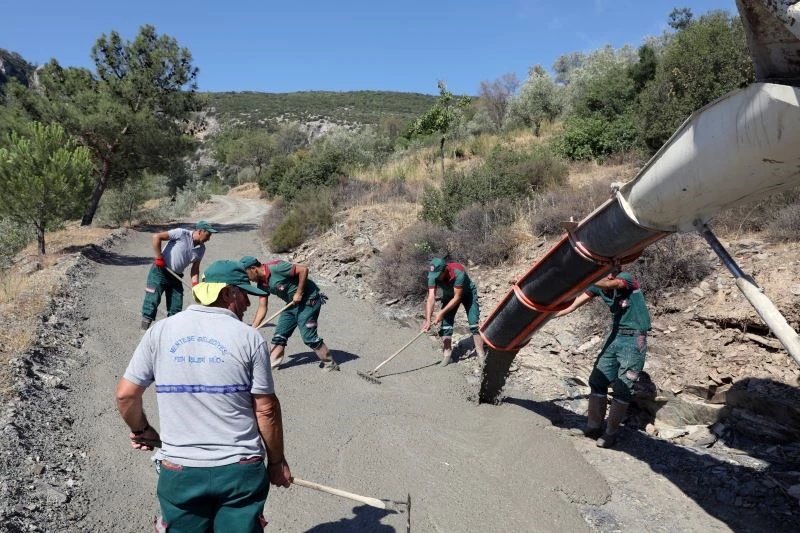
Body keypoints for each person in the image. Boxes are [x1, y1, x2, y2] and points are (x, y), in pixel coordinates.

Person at [116, 260, 292, 532]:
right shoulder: (250, 338)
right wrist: (277, 461)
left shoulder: (160, 332)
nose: (248, 304)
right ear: (228, 293)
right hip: (240, 472)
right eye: (245, 294)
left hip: (180, 470)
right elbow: (265, 409)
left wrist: (142, 430)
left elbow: (126, 396)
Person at [554, 267, 651, 448]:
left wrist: (584, 275)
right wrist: (549, 314)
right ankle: (593, 427)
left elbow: (610, 283)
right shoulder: (598, 286)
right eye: (604, 270)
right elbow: (574, 304)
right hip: (615, 336)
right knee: (597, 380)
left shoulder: (626, 279)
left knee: (623, 387)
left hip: (634, 338)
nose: (609, 273)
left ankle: (610, 433)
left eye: (611, 270)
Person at [239, 255, 338, 371]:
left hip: (309, 301)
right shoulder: (262, 285)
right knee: (279, 335)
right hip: (292, 304)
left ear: (252, 268)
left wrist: (299, 292)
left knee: (308, 336)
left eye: (246, 274)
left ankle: (330, 364)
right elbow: (262, 307)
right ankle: (272, 366)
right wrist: (253, 328)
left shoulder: (277, 268)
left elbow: (303, 270)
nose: (248, 279)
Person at [140, 221, 217, 330]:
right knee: (152, 301)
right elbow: (156, 237)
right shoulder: (181, 233)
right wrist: (158, 257)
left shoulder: (201, 249)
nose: (209, 238)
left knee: (176, 308)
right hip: (159, 272)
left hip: (176, 277)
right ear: (200, 231)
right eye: (208, 235)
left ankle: (170, 333)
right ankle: (144, 330)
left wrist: (195, 285)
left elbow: (195, 268)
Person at [422, 258, 486, 367]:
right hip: (448, 296)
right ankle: (447, 356)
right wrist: (428, 320)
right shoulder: (433, 276)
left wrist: (441, 312)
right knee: (446, 326)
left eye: (438, 275)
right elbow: (431, 297)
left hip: (467, 294)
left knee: (474, 324)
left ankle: (481, 355)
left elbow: (457, 298)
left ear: (445, 269)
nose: (436, 278)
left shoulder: (458, 271)